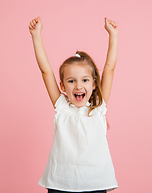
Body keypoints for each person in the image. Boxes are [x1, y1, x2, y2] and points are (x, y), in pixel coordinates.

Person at [29, 16, 118, 193]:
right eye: (71, 81)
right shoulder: (62, 107)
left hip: (95, 182)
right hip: (60, 183)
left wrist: (113, 35)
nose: (78, 86)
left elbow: (109, 68)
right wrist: (36, 36)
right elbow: (46, 70)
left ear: (94, 84)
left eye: (85, 80)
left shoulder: (98, 108)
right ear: (62, 86)